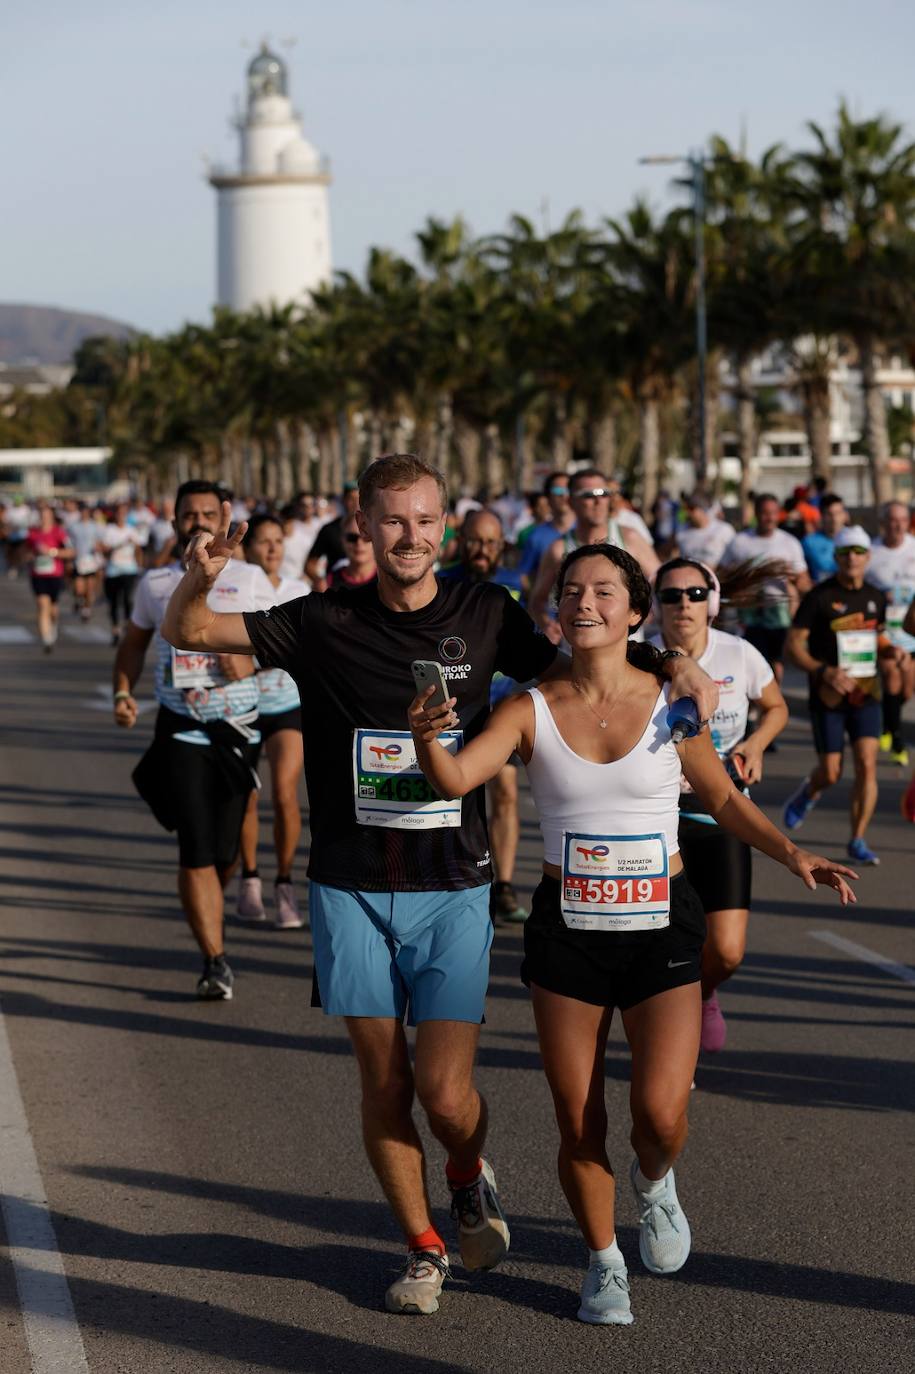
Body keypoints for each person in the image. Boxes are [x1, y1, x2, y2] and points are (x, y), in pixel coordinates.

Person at [159, 452, 718, 1316]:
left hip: (453, 883)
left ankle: (465, 1169)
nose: (409, 536)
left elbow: (579, 656)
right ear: (363, 521)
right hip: (348, 882)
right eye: (392, 520)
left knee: (445, 1095)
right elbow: (191, 634)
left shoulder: (483, 610)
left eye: (424, 520)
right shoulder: (319, 619)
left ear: (443, 523)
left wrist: (670, 663)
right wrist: (195, 585)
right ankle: (423, 1248)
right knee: (382, 1083)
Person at [408, 541, 855, 1327]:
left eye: (603, 591)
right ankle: (601, 1261)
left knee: (659, 1115)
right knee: (577, 1119)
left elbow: (718, 798)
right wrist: (423, 737)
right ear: (555, 608)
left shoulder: (671, 702)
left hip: (662, 926)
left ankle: (654, 1184)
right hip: (567, 932)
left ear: (633, 610)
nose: (583, 602)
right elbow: (451, 779)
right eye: (571, 590)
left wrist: (792, 855)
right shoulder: (527, 707)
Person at [113, 480, 262, 1000]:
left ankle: (210, 905)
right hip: (180, 727)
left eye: (207, 513)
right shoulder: (155, 584)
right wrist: (122, 692)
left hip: (238, 729)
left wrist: (248, 660)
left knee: (225, 850)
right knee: (196, 846)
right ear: (173, 521)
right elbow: (133, 643)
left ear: (223, 519)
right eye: (188, 515)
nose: (198, 522)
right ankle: (214, 959)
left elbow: (290, 645)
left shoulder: (250, 579)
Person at [649, 558, 788, 1054]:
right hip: (657, 819)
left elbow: (776, 707)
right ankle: (670, 1043)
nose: (682, 604)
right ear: (655, 603)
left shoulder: (740, 654)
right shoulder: (639, 658)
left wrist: (755, 744)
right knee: (666, 948)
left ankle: (704, 993)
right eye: (670, 595)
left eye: (693, 593)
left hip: (721, 811)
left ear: (711, 601)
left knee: (726, 951)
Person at [783, 526, 899, 866]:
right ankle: (809, 791)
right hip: (829, 696)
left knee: (867, 765)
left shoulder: (876, 597)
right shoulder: (819, 597)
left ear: (868, 557)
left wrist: (892, 651)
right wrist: (823, 671)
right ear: (836, 557)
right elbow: (793, 646)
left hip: (867, 693)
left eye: (859, 552)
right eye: (845, 552)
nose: (852, 558)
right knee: (831, 771)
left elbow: (876, 638)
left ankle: (857, 838)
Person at [440, 508, 528, 924]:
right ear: (461, 540)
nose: (482, 550)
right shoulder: (443, 581)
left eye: (491, 542)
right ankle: (459, 878)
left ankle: (505, 885)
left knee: (507, 793)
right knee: (453, 795)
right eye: (476, 540)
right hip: (455, 708)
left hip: (500, 709)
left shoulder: (512, 585)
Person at [236, 512, 308, 929]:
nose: (272, 548)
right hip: (243, 706)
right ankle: (249, 876)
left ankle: (284, 882)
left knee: (284, 793)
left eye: (278, 540)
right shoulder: (234, 590)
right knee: (248, 794)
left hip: (287, 704)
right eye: (263, 541)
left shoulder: (300, 591)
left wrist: (259, 658)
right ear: (248, 548)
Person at [529, 469, 659, 642]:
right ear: (571, 501)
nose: (598, 501)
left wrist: (647, 609)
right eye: (588, 495)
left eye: (604, 493)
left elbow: (661, 581)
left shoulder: (629, 538)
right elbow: (537, 601)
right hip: (576, 654)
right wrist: (548, 625)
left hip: (628, 651)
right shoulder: (558, 549)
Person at [719, 493, 811, 686]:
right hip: (748, 613)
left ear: (779, 515)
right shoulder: (740, 541)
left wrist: (795, 581)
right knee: (749, 661)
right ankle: (754, 704)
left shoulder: (789, 543)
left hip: (778, 613)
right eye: (764, 513)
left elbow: (803, 580)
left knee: (775, 664)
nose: (769, 518)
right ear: (756, 514)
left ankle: (773, 703)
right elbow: (723, 574)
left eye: (773, 513)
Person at [868, 501, 915, 766]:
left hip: (911, 631)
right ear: (884, 522)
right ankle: (897, 740)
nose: (897, 525)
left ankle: (888, 721)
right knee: (891, 673)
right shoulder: (872, 551)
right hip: (883, 632)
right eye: (893, 520)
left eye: (902, 520)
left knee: (906, 688)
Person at [517, 471, 575, 594]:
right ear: (547, 497)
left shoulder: (589, 531)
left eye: (568, 490)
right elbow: (524, 575)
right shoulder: (535, 536)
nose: (564, 495)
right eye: (558, 491)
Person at [26, 503, 72, 650]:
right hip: (38, 574)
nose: (44, 519)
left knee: (53, 609)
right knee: (42, 604)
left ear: (52, 517)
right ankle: (47, 639)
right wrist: (31, 557)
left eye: (47, 516)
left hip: (55, 574)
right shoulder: (33, 534)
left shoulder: (59, 533)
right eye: (42, 516)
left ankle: (53, 625)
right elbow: (27, 553)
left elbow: (71, 552)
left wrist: (52, 552)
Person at [100, 502, 146, 645]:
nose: (121, 516)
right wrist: (117, 545)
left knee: (127, 599)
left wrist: (140, 565)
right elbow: (104, 549)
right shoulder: (109, 530)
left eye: (124, 513)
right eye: (119, 513)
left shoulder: (132, 530)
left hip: (129, 569)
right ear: (115, 515)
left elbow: (139, 549)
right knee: (114, 602)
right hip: (113, 570)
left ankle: (127, 626)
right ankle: (115, 629)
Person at [304, 480, 360, 590]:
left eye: (359, 499)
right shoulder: (329, 530)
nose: (356, 503)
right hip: (336, 592)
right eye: (351, 498)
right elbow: (310, 564)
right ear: (343, 500)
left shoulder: (374, 528)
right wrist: (319, 581)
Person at [674, 492, 735, 569]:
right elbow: (670, 554)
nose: (687, 513)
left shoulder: (724, 529)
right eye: (685, 508)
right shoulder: (681, 532)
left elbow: (734, 558)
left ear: (703, 509)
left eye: (692, 508)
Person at [801, 493, 847, 584]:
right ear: (821, 516)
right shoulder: (808, 542)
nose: (834, 518)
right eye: (829, 514)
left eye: (838, 513)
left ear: (845, 515)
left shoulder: (855, 540)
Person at [68, 503, 102, 620]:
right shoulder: (73, 527)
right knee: (79, 589)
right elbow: (69, 542)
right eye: (82, 511)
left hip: (91, 561)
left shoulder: (95, 526)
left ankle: (86, 609)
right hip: (79, 560)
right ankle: (79, 600)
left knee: (90, 588)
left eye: (86, 511)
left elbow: (100, 542)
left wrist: (98, 548)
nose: (84, 514)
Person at [325, 513, 378, 589]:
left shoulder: (390, 580)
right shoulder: (328, 583)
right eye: (352, 538)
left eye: (365, 536)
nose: (359, 543)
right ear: (342, 541)